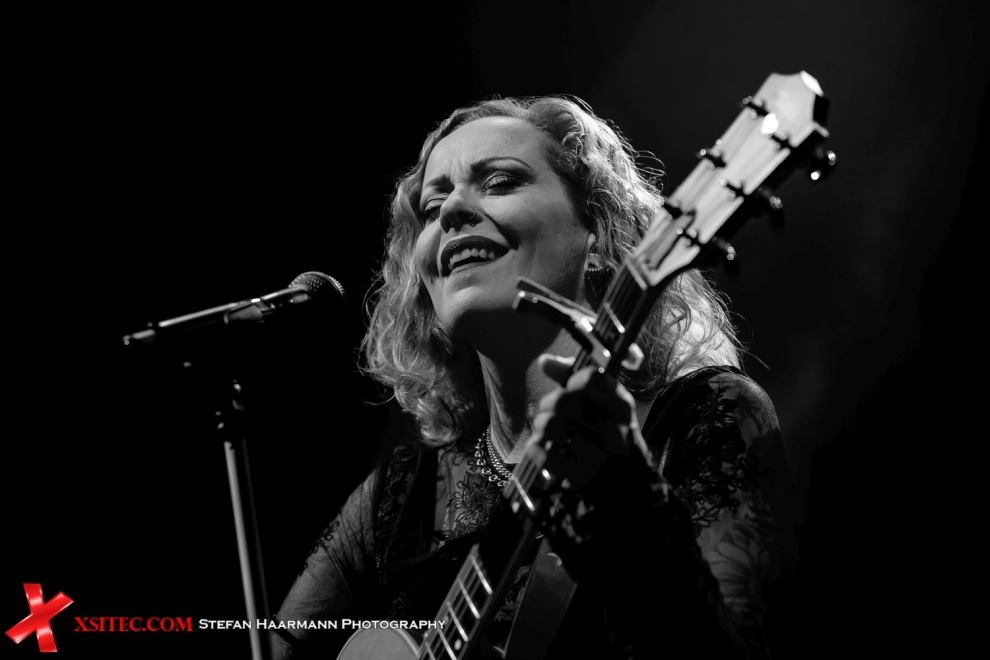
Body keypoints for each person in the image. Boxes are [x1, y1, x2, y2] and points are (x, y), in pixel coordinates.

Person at [270, 96, 792, 659]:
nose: (451, 213)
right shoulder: (401, 499)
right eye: (432, 204)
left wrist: (630, 502)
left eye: (498, 181)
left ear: (597, 234)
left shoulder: (703, 419)